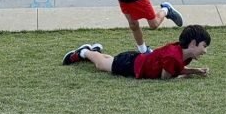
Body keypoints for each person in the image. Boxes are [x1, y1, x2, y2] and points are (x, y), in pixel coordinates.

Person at [62, 25, 211, 80]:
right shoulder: (174, 56)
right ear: (193, 43)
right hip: (131, 65)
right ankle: (84, 52)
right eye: (204, 46)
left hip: (135, 60)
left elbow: (175, 68)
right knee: (101, 65)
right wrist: (187, 75)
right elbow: (166, 77)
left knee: (109, 61)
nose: (205, 51)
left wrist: (195, 71)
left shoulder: (180, 53)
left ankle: (93, 51)